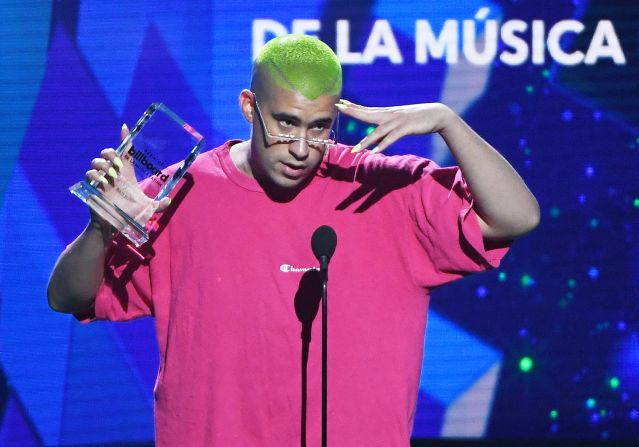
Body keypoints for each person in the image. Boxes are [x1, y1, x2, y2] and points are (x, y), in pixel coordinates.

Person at [47, 34, 539, 446]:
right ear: (248, 107)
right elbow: (68, 296)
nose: (302, 148)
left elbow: (516, 217)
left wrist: (446, 120)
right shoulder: (183, 191)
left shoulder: (378, 188)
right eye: (285, 123)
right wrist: (101, 225)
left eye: (319, 127)